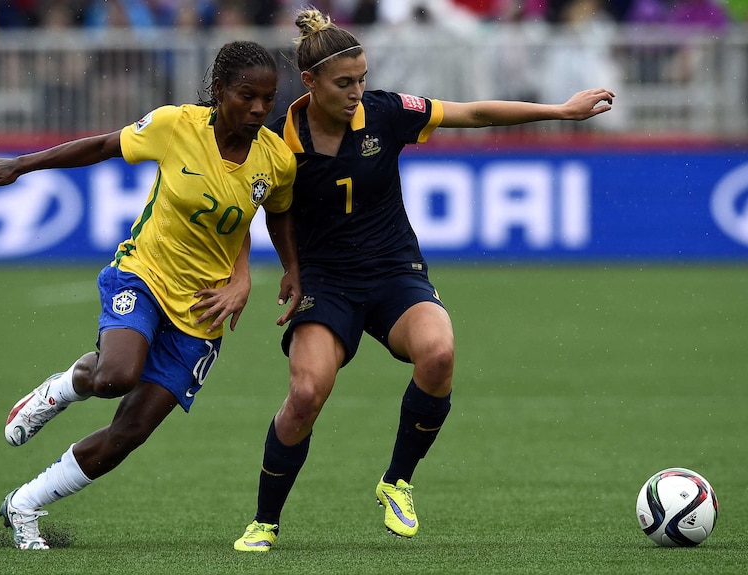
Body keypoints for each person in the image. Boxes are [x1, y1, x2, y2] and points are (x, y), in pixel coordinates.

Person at [233, 7, 614, 551]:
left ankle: (397, 481)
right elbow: (269, 208)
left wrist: (560, 109)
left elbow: (475, 112)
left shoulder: (386, 113)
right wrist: (288, 267)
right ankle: (264, 521)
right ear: (310, 82)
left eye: (362, 79)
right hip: (328, 282)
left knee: (438, 354)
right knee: (306, 393)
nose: (357, 92)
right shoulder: (276, 141)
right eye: (345, 83)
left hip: (393, 270)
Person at [0, 40, 300, 550]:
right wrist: (22, 165)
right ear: (219, 91)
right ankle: (60, 389)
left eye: (268, 99)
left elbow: (270, 213)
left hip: (202, 311)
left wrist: (275, 272)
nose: (259, 109)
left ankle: (25, 504)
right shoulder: (176, 126)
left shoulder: (275, 160)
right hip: (142, 275)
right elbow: (103, 146)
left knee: (133, 431)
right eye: (246, 96)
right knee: (116, 375)